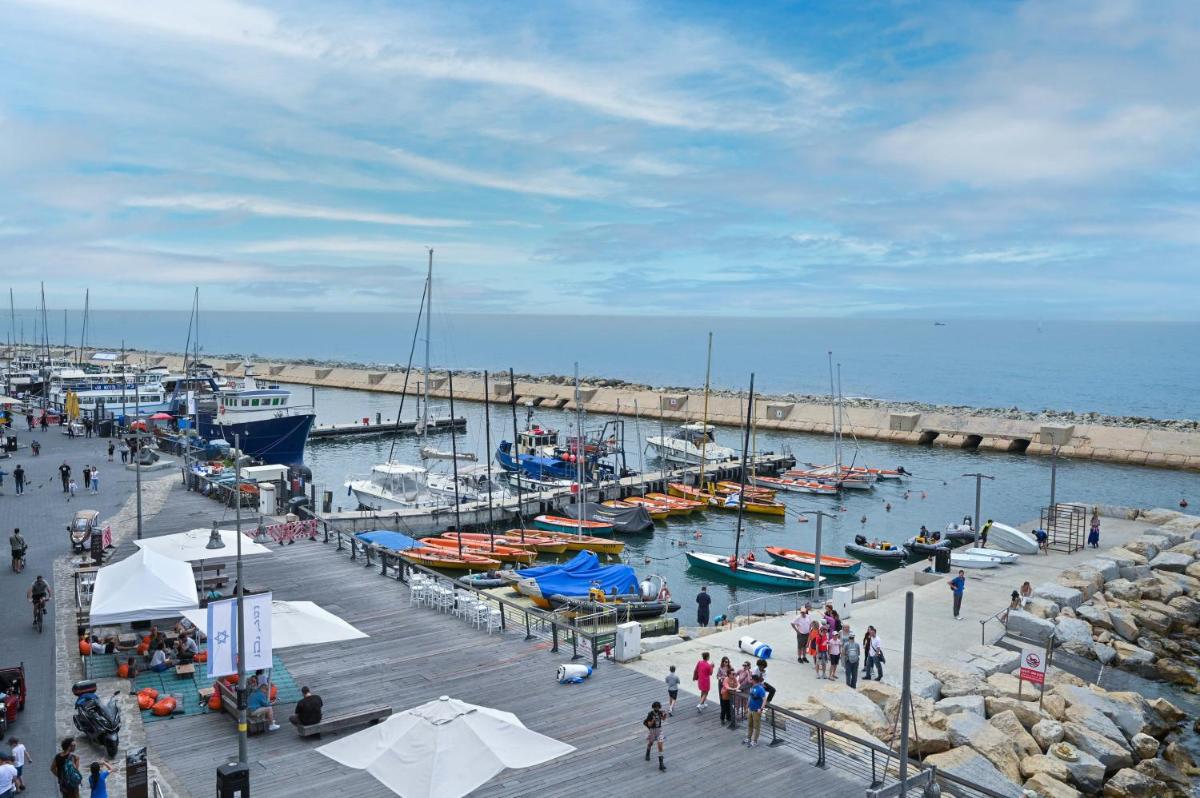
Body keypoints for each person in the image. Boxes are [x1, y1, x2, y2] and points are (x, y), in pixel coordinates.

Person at [743, 675, 767, 747]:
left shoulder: (760, 689)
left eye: (751, 679)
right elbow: (750, 697)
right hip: (751, 709)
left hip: (757, 710)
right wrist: (747, 706)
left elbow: (764, 699)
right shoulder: (752, 687)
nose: (750, 680)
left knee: (756, 726)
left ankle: (754, 741)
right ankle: (749, 738)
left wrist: (761, 708)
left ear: (754, 680)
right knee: (750, 724)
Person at [642, 701, 666, 771]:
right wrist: (653, 720)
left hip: (659, 730)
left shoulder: (660, 712)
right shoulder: (650, 714)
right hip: (652, 730)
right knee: (651, 743)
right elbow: (649, 725)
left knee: (660, 746)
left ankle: (661, 764)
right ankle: (648, 752)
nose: (657, 708)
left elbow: (663, 719)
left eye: (658, 707)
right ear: (653, 707)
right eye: (656, 707)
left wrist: (665, 715)